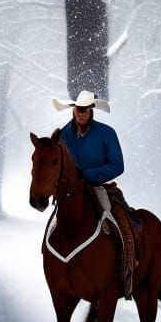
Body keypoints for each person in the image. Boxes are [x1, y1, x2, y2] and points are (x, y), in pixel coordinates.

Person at [53, 90, 137, 296]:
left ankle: (128, 267)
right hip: (71, 193)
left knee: (122, 223)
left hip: (101, 187)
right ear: (74, 111)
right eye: (77, 110)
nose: (80, 113)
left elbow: (118, 165)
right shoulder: (63, 135)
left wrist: (88, 174)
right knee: (55, 225)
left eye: (84, 110)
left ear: (91, 111)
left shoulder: (107, 133)